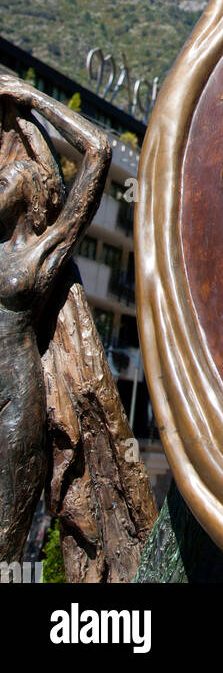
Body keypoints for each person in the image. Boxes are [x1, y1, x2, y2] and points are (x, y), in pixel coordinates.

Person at [0, 72, 110, 562]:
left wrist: (31, 96)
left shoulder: (44, 252)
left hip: (13, 402)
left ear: (27, 192)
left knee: (5, 541)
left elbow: (98, 149)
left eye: (3, 180)